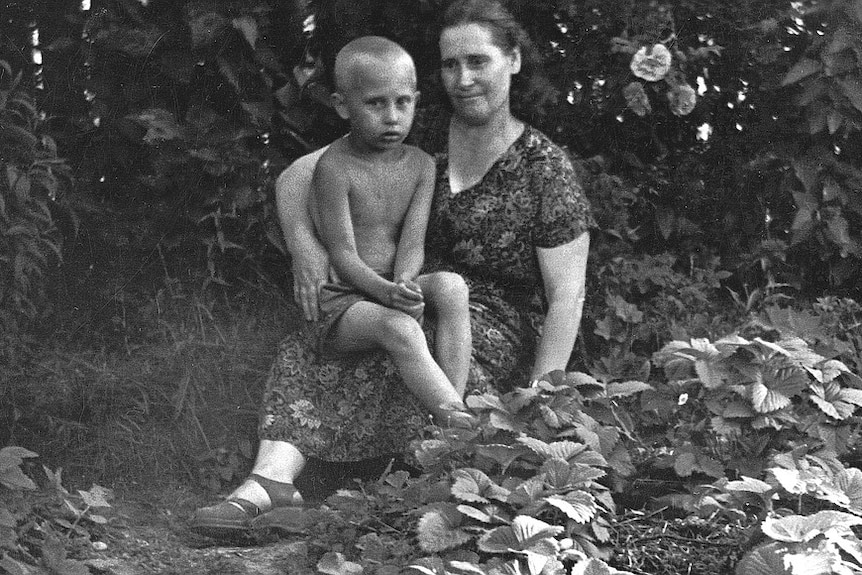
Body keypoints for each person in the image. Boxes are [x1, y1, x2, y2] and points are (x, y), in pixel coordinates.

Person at [190, 0, 595, 539]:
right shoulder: (409, 119)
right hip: (392, 286)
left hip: (488, 322)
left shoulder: (546, 169)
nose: (464, 78)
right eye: (451, 65)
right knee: (316, 336)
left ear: (514, 61)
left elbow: (567, 298)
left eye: (479, 61)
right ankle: (268, 481)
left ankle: (373, 503)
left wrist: (541, 402)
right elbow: (295, 178)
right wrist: (307, 248)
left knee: (397, 349)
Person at [308, 36, 472, 427]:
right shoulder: (335, 167)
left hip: (392, 281)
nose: (393, 117)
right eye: (375, 103)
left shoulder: (421, 165)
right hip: (344, 298)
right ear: (342, 105)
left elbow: (411, 242)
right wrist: (386, 295)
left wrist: (404, 283)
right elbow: (343, 255)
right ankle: (464, 430)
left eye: (403, 102)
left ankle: (451, 410)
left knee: (452, 287)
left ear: (416, 99)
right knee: (401, 327)